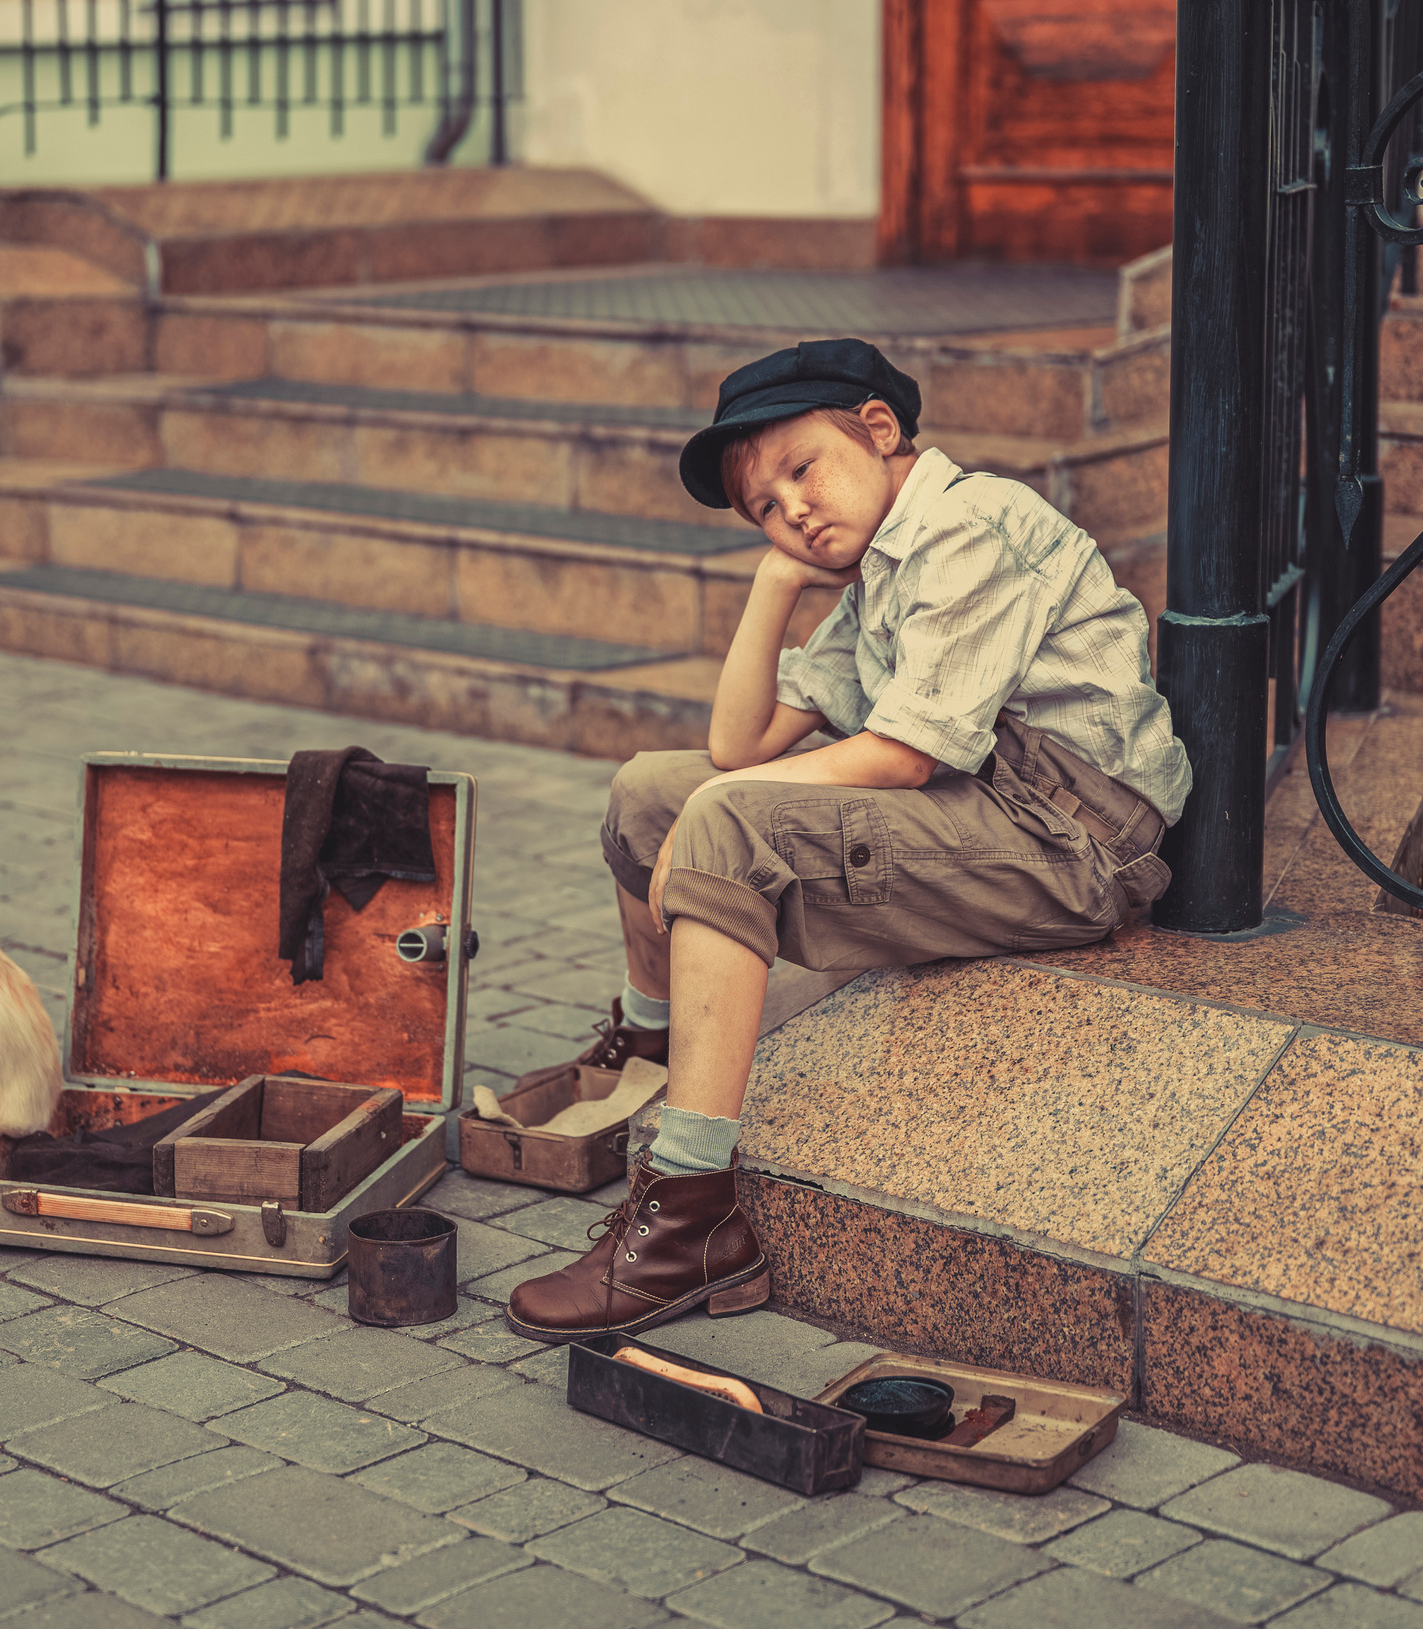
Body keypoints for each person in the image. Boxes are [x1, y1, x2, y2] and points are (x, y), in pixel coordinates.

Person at [503, 338, 1193, 1343]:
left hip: (1069, 841)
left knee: (723, 817)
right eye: (767, 509)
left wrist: (723, 813)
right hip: (979, 805)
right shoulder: (874, 574)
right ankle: (654, 1051)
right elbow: (737, 744)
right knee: (653, 791)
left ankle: (688, 1212)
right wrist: (772, 587)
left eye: (802, 471)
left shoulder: (970, 526)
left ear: (877, 429)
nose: (795, 511)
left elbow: (903, 756)